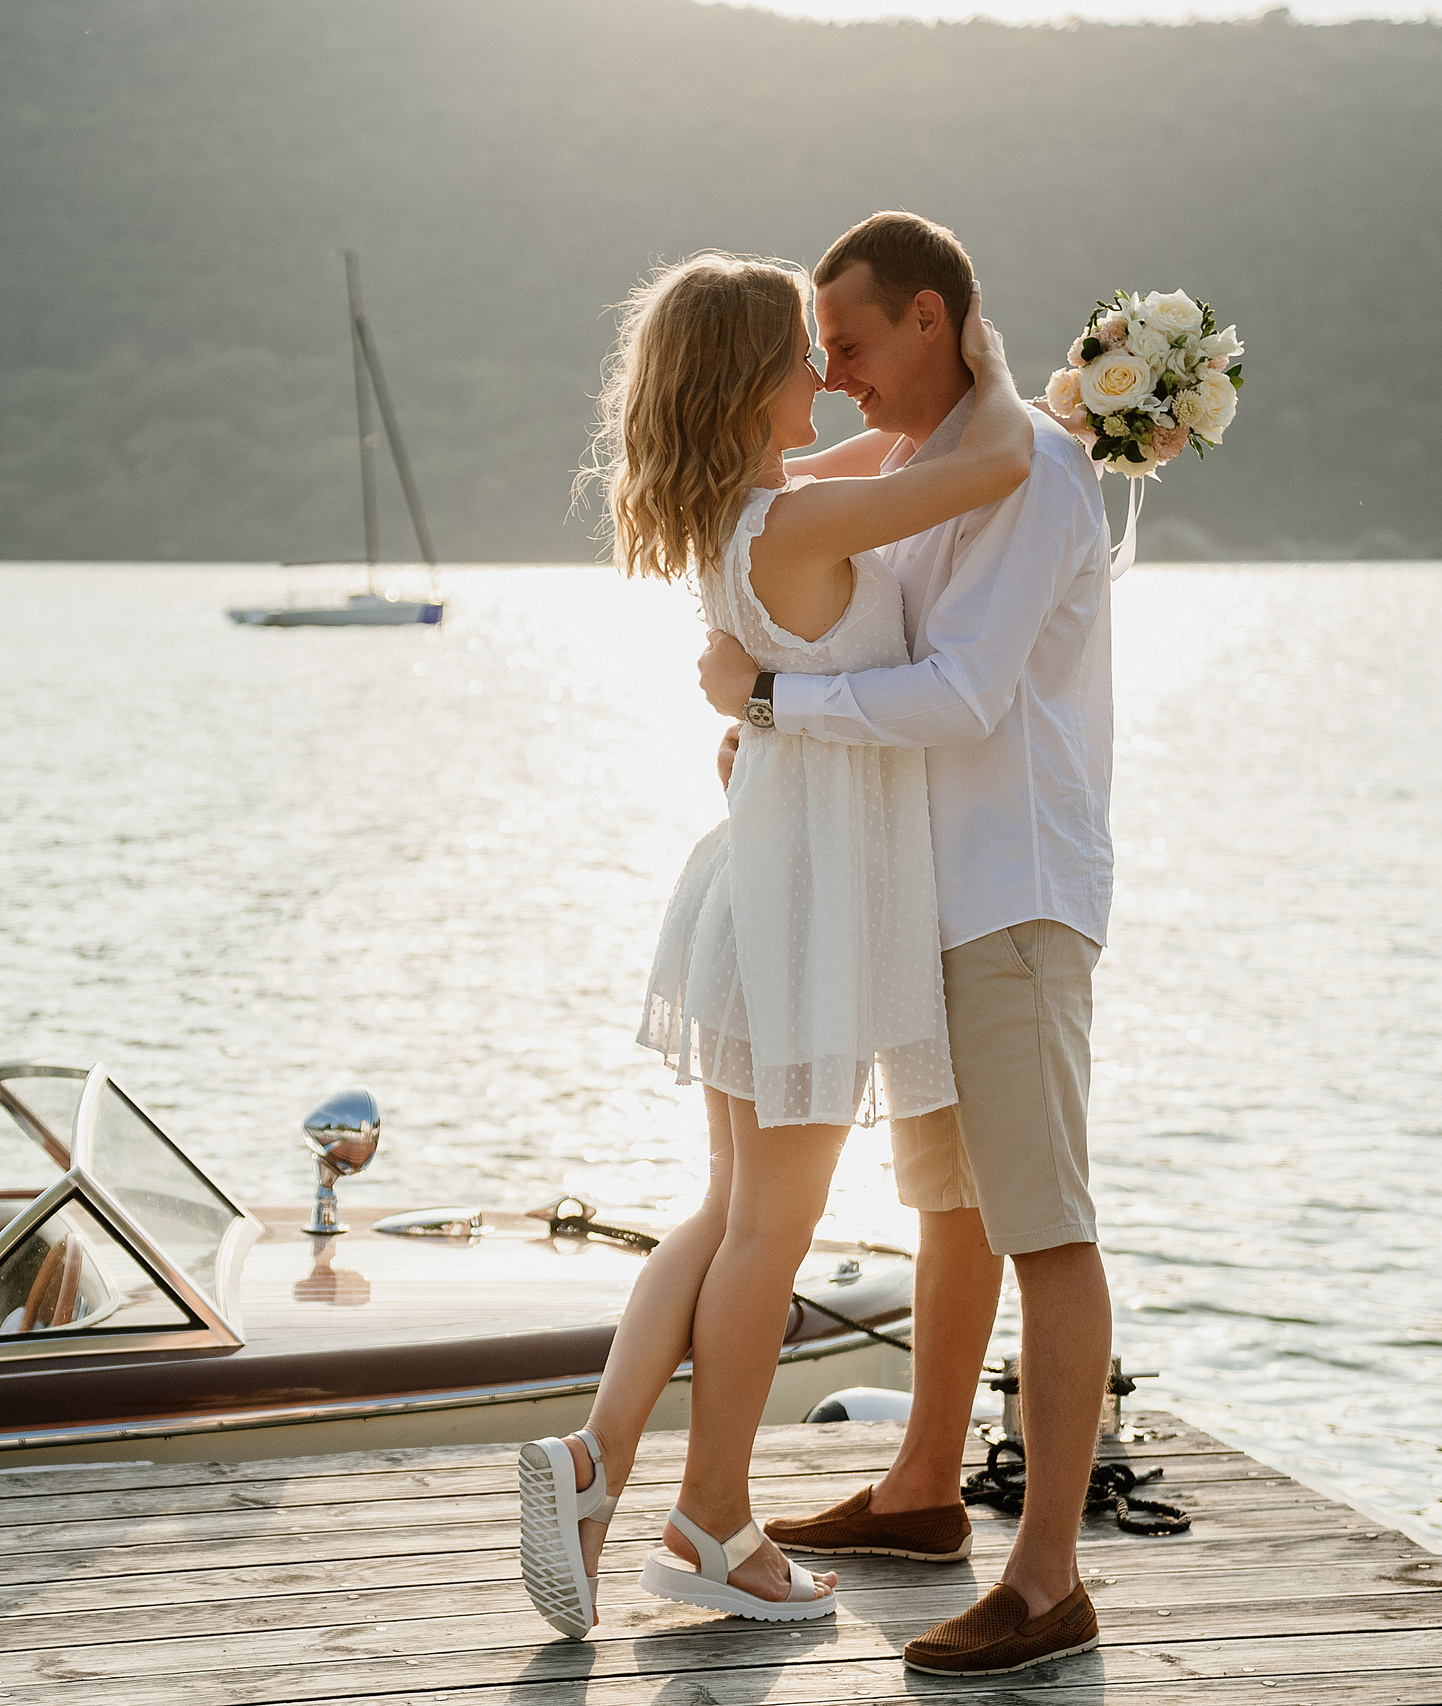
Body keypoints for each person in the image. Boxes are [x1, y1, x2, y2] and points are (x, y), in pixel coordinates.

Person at [516, 249, 1033, 1641]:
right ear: (754, 381)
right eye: (804, 352)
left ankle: (595, 1460)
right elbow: (985, 466)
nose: (824, 370)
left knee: (724, 1211)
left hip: (762, 894)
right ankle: (714, 1523)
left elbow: (901, 453)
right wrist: (993, 365)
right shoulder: (801, 524)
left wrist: (961, 404)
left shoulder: (753, 515)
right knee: (768, 1229)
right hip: (804, 912)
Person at [699, 212, 1114, 1678]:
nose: (835, 374)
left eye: (853, 343)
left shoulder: (1033, 473)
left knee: (1045, 1225)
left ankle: (1049, 1579)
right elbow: (776, 520)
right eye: (819, 352)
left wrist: (769, 705)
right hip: (924, 897)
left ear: (930, 317)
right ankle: (925, 1487)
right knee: (950, 1208)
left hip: (1015, 893)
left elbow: (962, 694)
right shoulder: (933, 469)